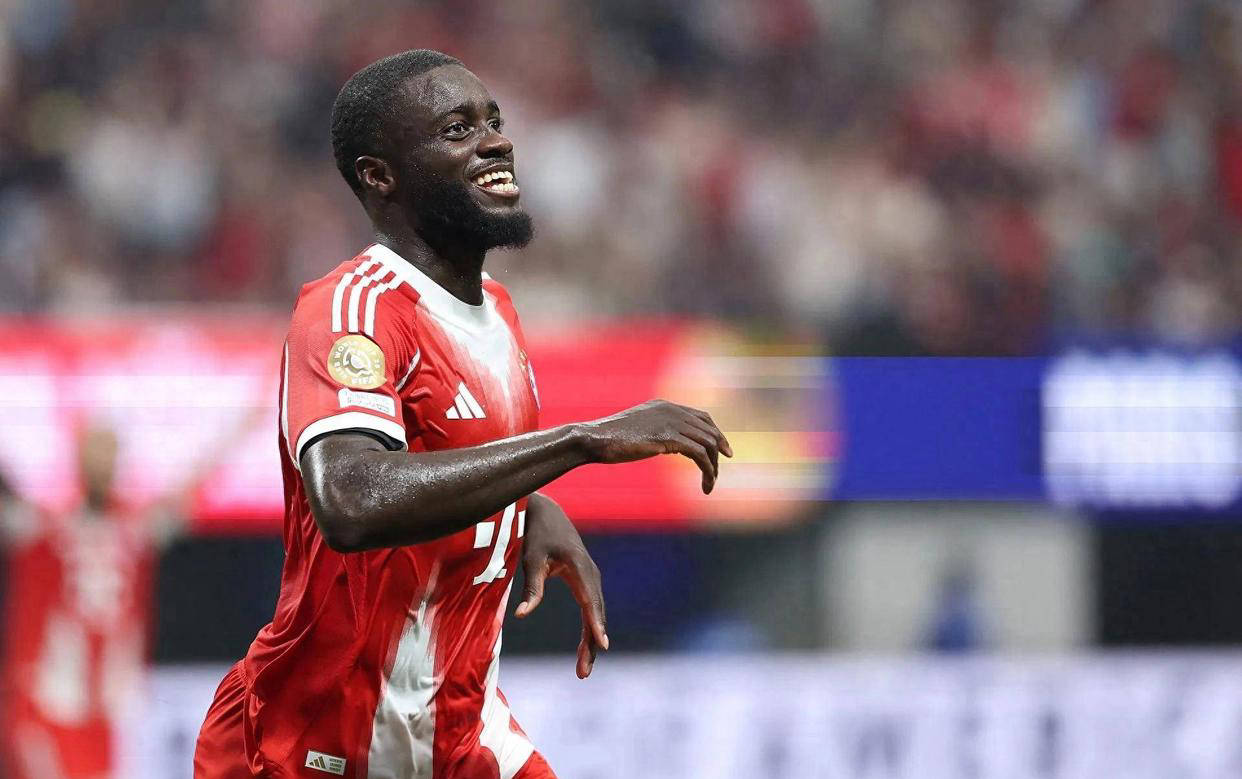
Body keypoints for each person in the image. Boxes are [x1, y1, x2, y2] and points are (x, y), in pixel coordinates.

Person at [193, 49, 731, 779]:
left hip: (459, 731)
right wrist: (580, 442)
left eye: (494, 121)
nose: (495, 142)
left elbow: (450, 450)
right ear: (379, 176)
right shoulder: (352, 309)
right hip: (318, 743)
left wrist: (529, 505)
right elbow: (351, 498)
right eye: (457, 130)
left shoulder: (497, 310)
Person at [0, 422, 211, 779]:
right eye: (95, 455)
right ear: (79, 462)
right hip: (49, 704)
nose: (102, 466)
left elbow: (189, 490)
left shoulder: (134, 529)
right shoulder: (45, 527)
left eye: (109, 456)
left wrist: (252, 417)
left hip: (113, 708)